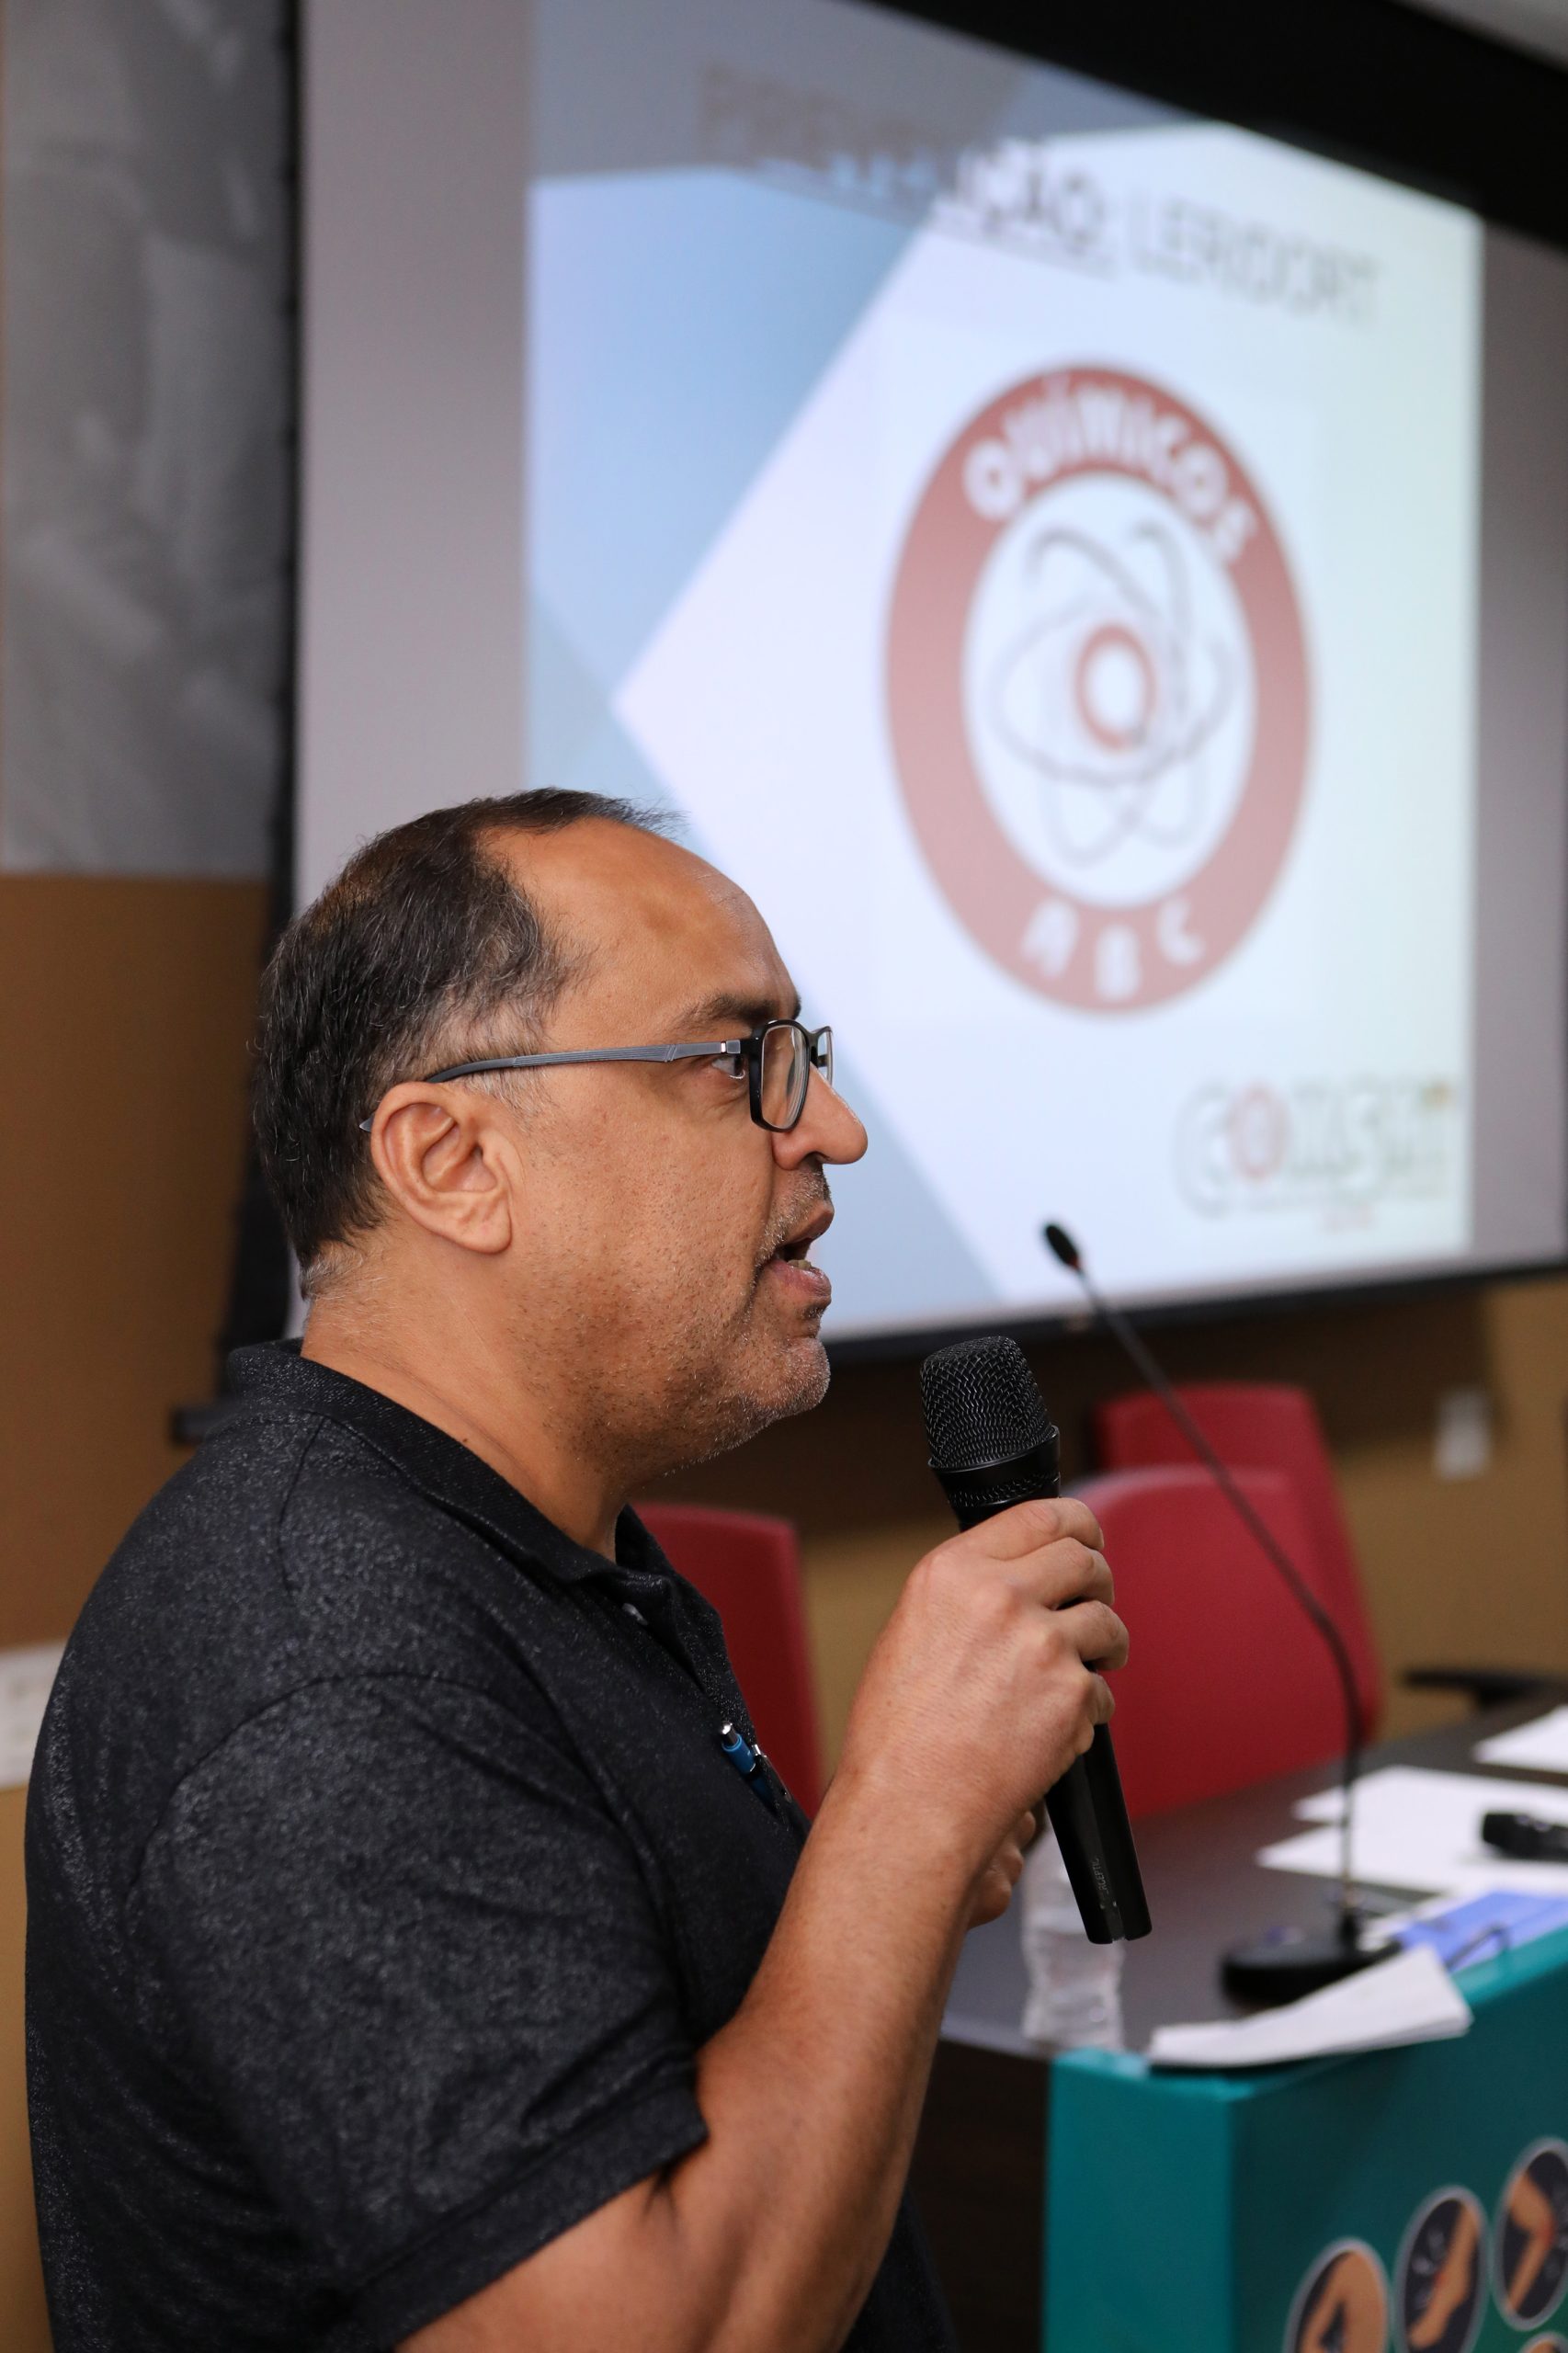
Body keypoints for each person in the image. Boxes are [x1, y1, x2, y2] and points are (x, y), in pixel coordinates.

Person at [26, 790, 1125, 2353]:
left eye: (803, 1056)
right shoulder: (332, 1662)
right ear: (454, 1159)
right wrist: (900, 1819)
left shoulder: (514, 1546)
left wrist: (905, 1876)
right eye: (737, 1060)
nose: (832, 1127)